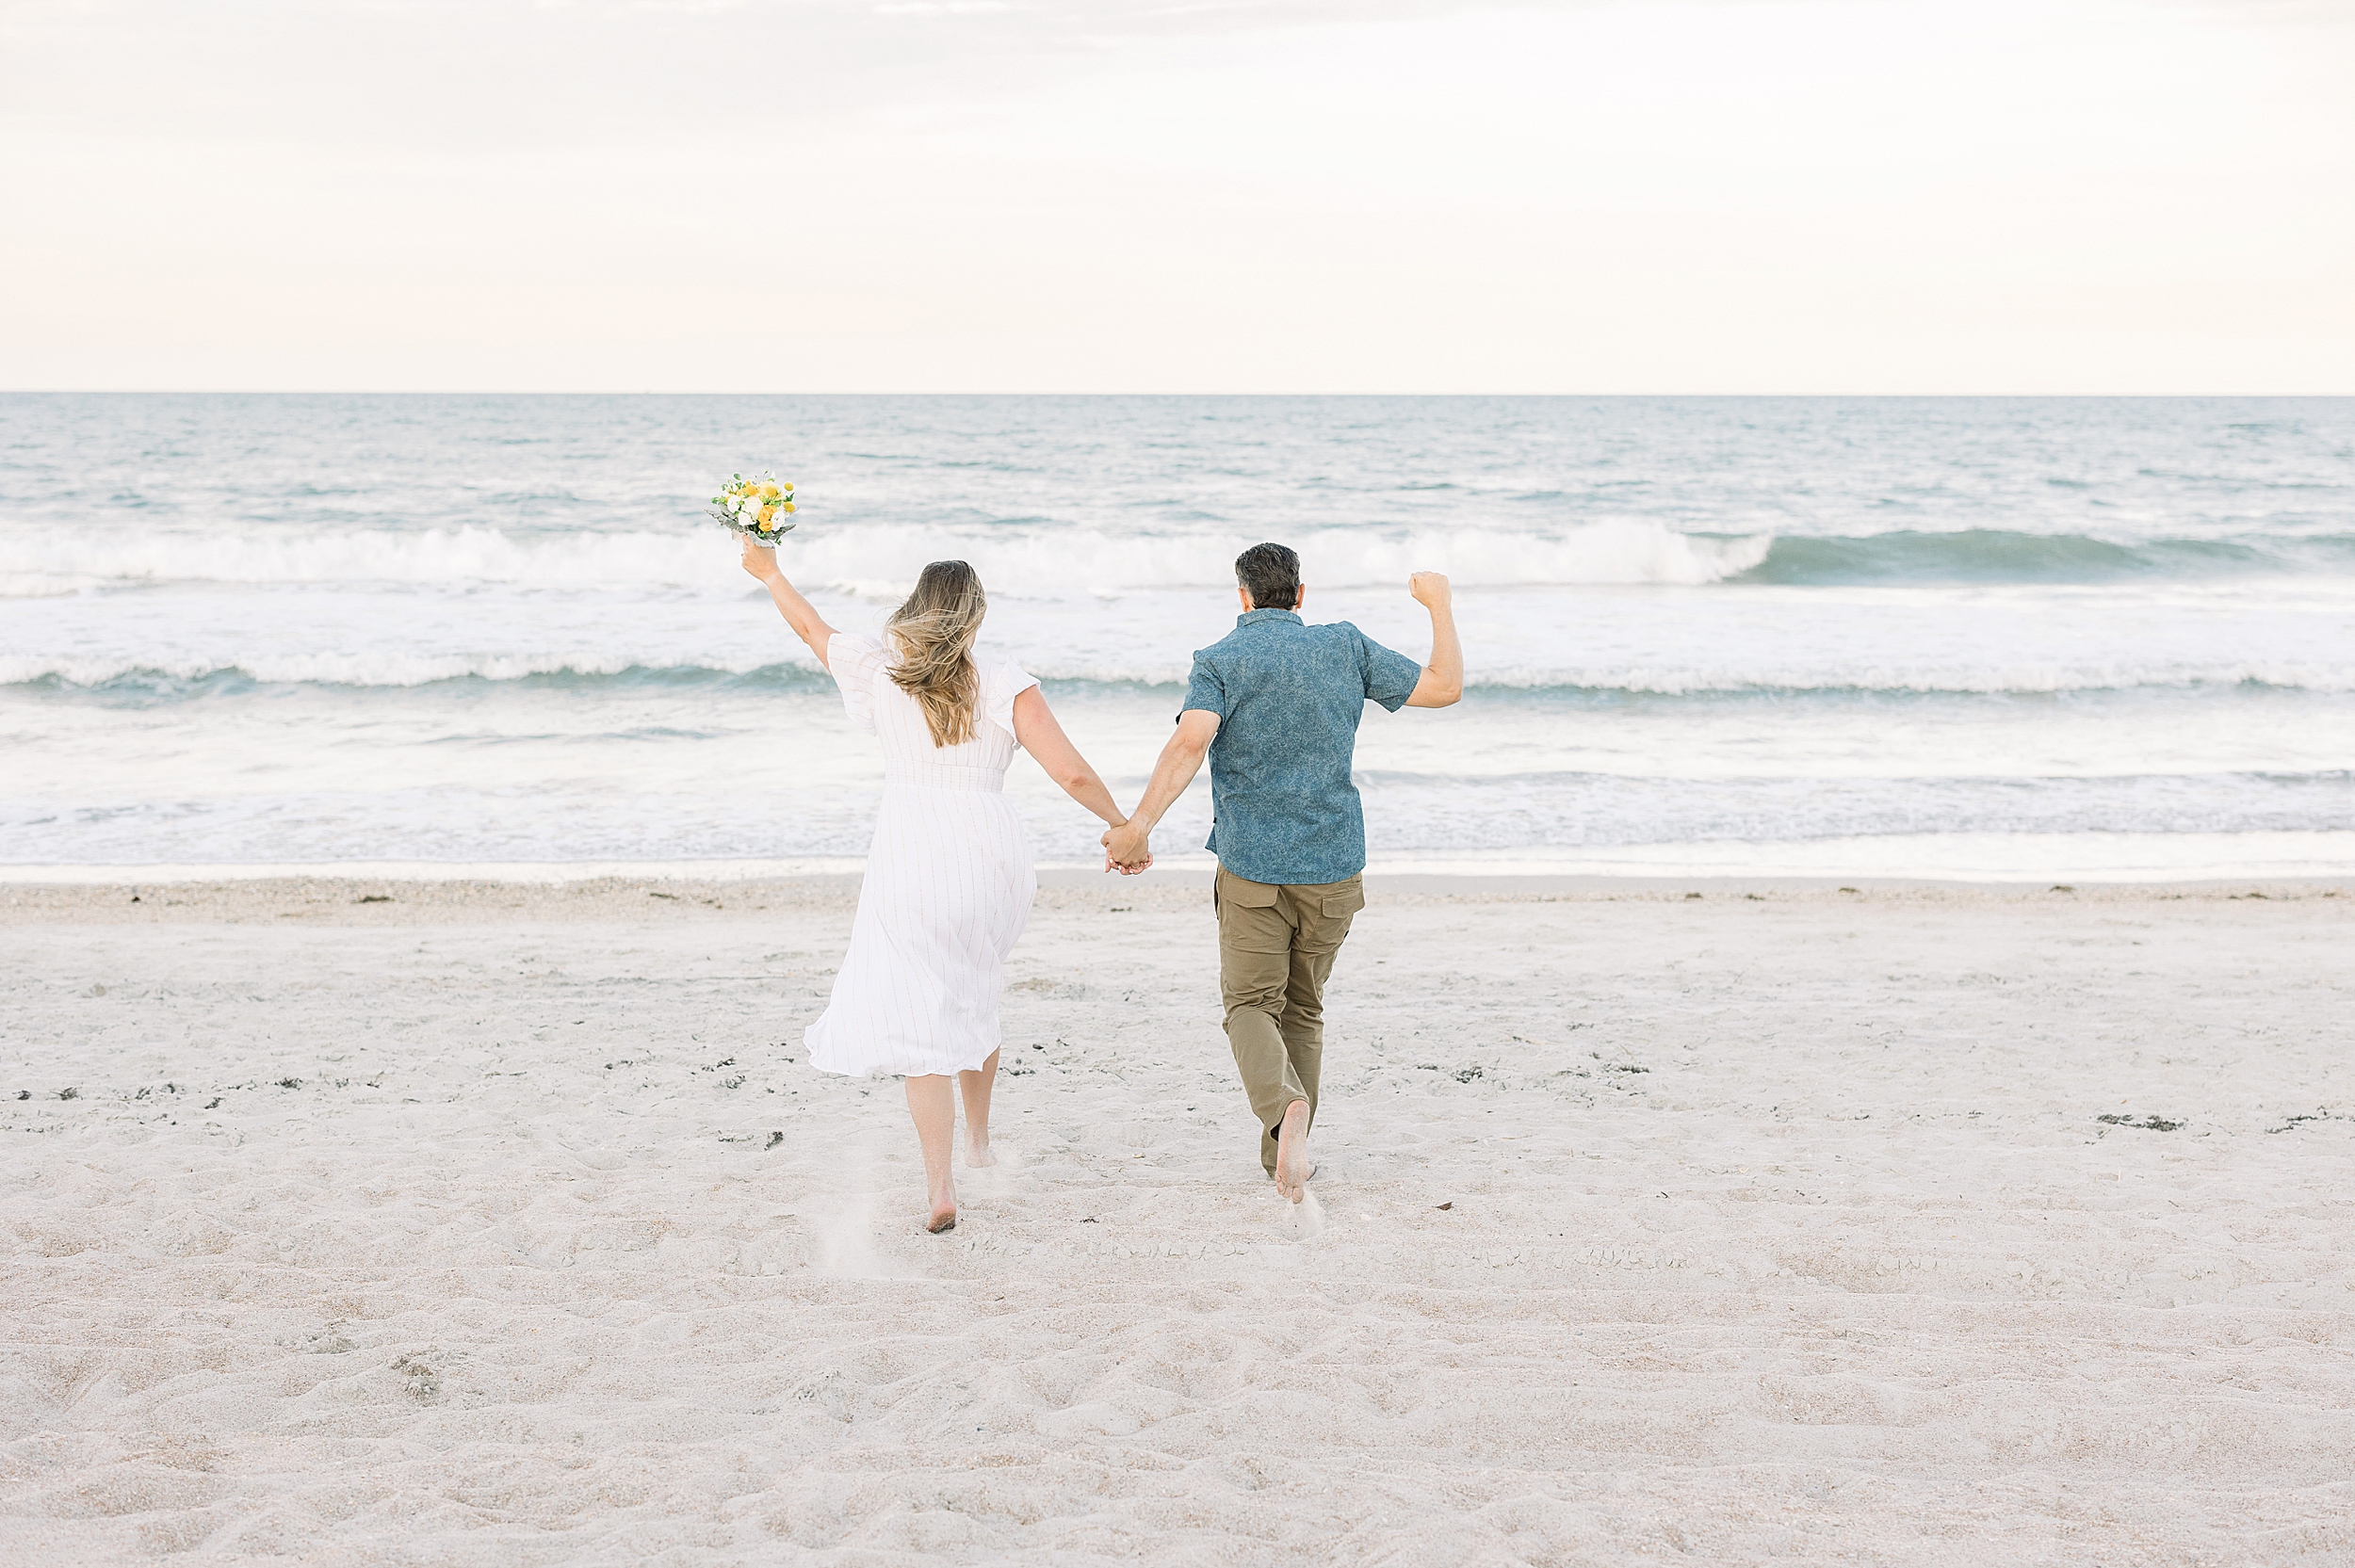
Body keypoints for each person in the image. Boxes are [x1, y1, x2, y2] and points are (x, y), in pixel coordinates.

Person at [741, 537, 1134, 1234]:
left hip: (910, 850)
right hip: (988, 852)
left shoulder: (878, 668)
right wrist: (1122, 827)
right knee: (975, 982)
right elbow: (1070, 771)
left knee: (922, 1016)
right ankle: (980, 1141)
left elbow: (808, 625)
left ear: (917, 609)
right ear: (975, 617)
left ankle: (940, 1184)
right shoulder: (1007, 680)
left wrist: (769, 571)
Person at [1102, 543, 1462, 1203]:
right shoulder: (1345, 647)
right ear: (1300, 595)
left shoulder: (1220, 660)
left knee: (1248, 1004)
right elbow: (1444, 686)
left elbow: (1191, 740)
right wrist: (1438, 604)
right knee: (1303, 1008)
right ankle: (1286, 1153)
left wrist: (1138, 827)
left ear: (1243, 597)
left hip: (1254, 872)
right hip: (1333, 871)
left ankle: (1282, 1109)